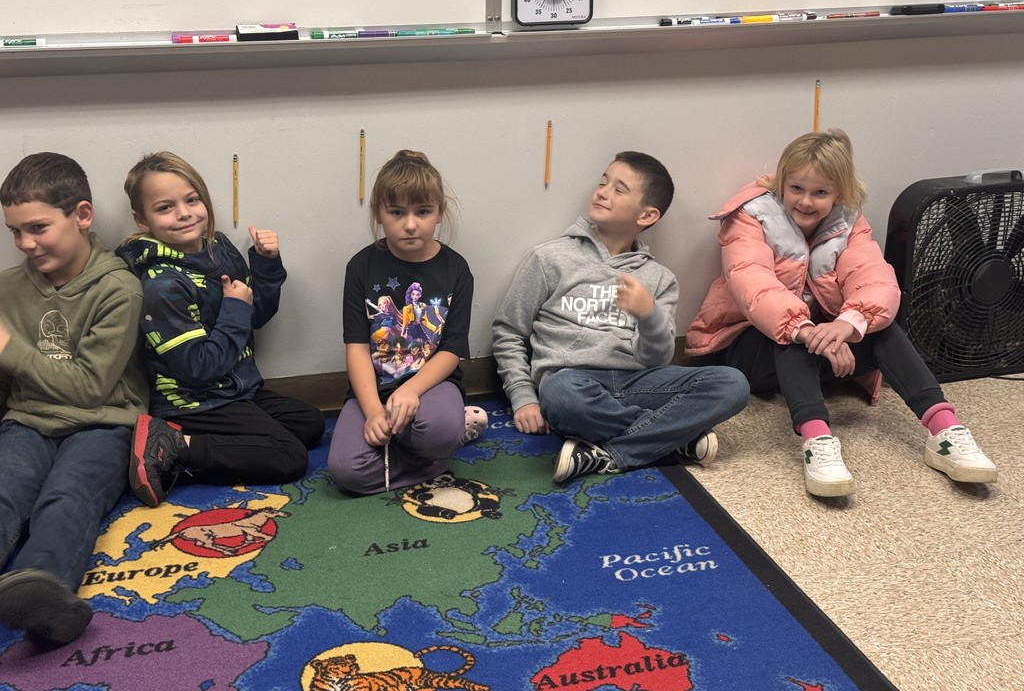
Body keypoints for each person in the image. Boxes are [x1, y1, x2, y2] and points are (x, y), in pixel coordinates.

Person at [685, 129, 998, 497]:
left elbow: (874, 279)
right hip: (748, 351)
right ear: (781, 183)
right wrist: (804, 328)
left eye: (820, 192)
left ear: (839, 194)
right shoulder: (750, 217)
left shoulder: (849, 224)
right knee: (790, 334)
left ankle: (945, 431)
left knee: (880, 326)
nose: (805, 201)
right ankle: (817, 439)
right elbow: (751, 283)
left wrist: (847, 326)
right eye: (797, 188)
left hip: (824, 349)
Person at [492, 151, 749, 483]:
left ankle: (611, 454)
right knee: (560, 396)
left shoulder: (659, 278)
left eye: (619, 189)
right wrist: (523, 397)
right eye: (603, 182)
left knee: (733, 384)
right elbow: (509, 330)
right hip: (572, 381)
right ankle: (674, 438)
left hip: (637, 382)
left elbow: (657, 359)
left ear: (646, 215)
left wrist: (649, 314)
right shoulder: (550, 258)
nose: (602, 192)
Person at [116, 151, 324, 507]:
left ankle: (193, 450)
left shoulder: (221, 249)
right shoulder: (161, 286)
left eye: (192, 200)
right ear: (141, 219)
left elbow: (255, 316)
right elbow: (199, 369)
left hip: (236, 389)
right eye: (165, 208)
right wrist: (233, 308)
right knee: (289, 456)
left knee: (310, 424)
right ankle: (174, 444)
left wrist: (266, 265)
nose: (184, 213)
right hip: (195, 403)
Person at [0, 153, 149, 647]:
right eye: (14, 232)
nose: (25, 243)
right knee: (6, 489)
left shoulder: (118, 288)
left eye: (37, 227)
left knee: (66, 496)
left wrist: (9, 347)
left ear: (82, 216)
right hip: (28, 420)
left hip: (103, 422)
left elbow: (90, 387)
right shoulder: (9, 289)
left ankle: (47, 597)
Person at [327, 150, 486, 495]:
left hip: (431, 386)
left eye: (423, 211)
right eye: (397, 212)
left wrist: (411, 390)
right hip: (374, 387)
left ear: (439, 212)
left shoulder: (456, 270)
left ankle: (447, 433)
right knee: (346, 472)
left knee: (439, 431)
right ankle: (435, 458)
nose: (410, 224)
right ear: (379, 214)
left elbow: (452, 350)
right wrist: (372, 412)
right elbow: (356, 347)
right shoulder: (361, 267)